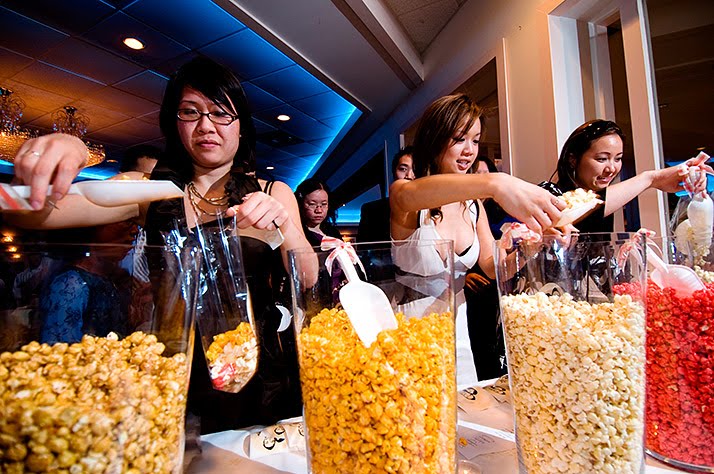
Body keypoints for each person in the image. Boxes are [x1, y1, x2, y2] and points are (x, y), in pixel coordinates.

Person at [9, 56, 316, 433]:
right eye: (190, 113)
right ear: (174, 122)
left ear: (240, 126)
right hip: (176, 370)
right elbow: (34, 212)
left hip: (261, 371)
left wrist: (285, 223)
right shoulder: (148, 190)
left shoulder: (274, 191)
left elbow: (306, 279)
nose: (206, 126)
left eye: (221, 113)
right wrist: (67, 151)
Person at [389, 93, 565, 389]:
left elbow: (494, 268)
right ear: (435, 138)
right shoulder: (404, 193)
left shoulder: (473, 206)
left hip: (458, 328)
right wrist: (496, 183)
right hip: (409, 330)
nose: (469, 151)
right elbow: (410, 195)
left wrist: (529, 247)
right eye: (459, 139)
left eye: (475, 140)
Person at [552, 119, 710, 233]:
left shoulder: (602, 199)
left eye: (618, 159)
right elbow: (595, 205)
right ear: (573, 160)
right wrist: (652, 178)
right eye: (601, 159)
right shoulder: (550, 193)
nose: (611, 169)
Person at [357, 146, 415, 242]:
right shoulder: (372, 210)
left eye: (415, 169)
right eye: (403, 169)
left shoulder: (432, 211)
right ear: (394, 173)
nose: (409, 176)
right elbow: (365, 252)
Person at [295, 177, 342, 246]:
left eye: (323, 204)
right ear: (300, 204)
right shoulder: (296, 233)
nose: (319, 210)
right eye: (312, 204)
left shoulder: (333, 232)